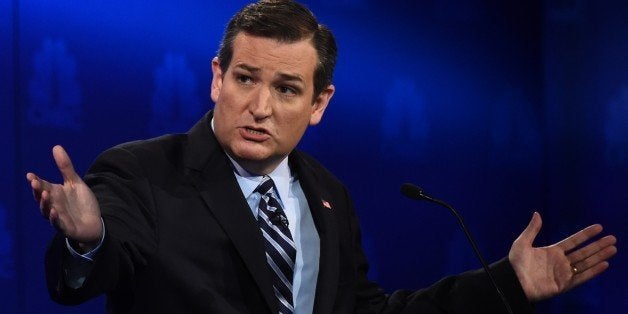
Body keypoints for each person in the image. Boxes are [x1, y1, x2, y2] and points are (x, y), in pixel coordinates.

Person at [27, 1, 617, 313]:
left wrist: (507, 285)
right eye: (245, 78)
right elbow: (83, 280)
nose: (259, 106)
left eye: (286, 89)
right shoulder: (142, 171)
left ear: (318, 103)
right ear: (216, 78)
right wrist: (87, 241)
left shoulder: (327, 196)